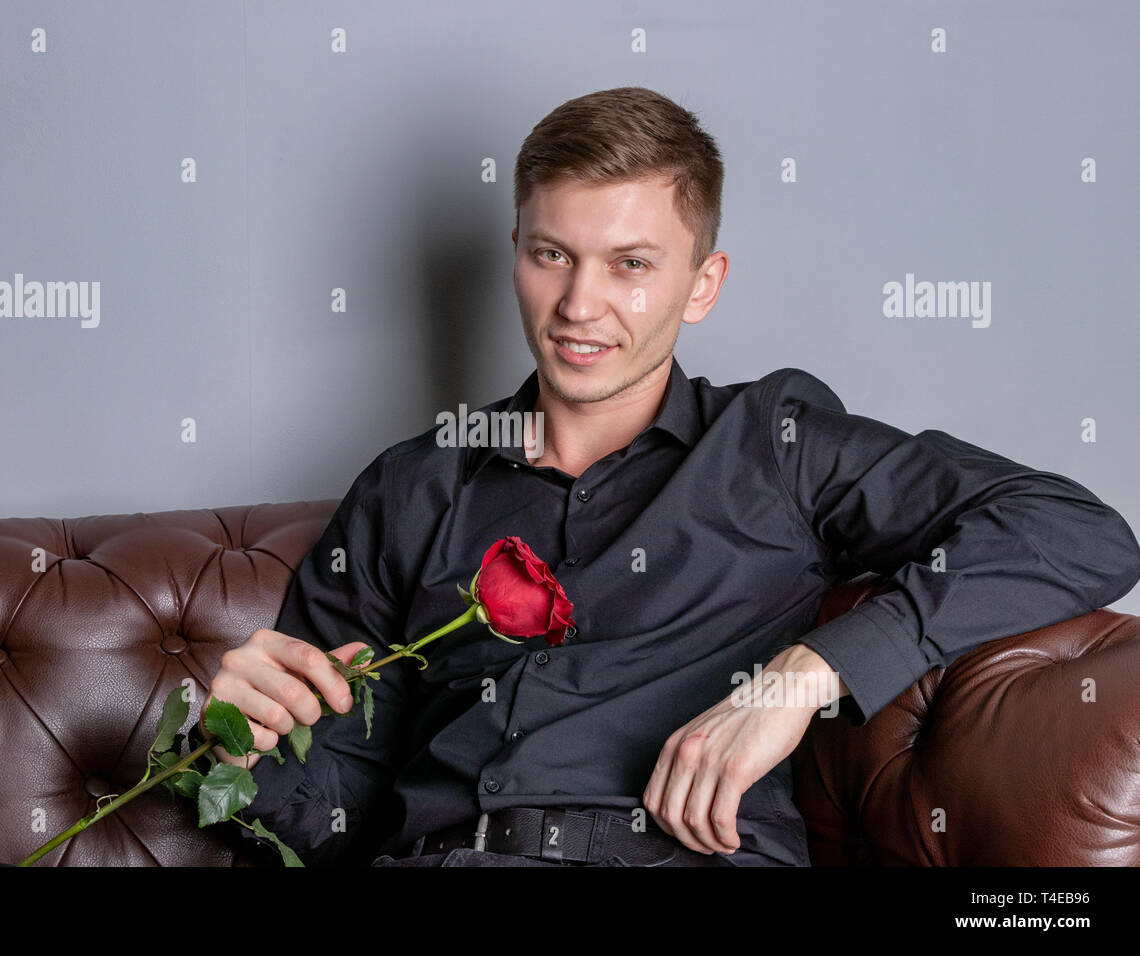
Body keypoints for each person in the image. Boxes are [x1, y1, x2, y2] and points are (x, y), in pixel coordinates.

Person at [193, 86, 1140, 867]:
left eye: (631, 264)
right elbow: (331, 812)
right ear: (516, 254)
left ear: (703, 283)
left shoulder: (775, 444)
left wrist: (803, 677)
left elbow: (1075, 529)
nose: (579, 304)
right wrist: (241, 745)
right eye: (551, 254)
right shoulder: (412, 487)